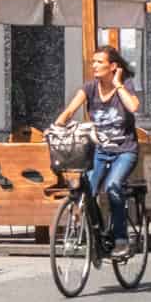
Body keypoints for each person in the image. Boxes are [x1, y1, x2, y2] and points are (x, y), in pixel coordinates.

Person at [53, 46, 141, 260]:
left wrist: (119, 84)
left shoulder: (125, 86)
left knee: (112, 187)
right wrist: (57, 125)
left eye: (99, 62)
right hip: (100, 151)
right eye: (93, 61)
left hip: (124, 150)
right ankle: (97, 237)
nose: (94, 65)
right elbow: (70, 109)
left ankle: (121, 239)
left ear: (113, 66)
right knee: (87, 190)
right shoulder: (90, 88)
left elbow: (133, 107)